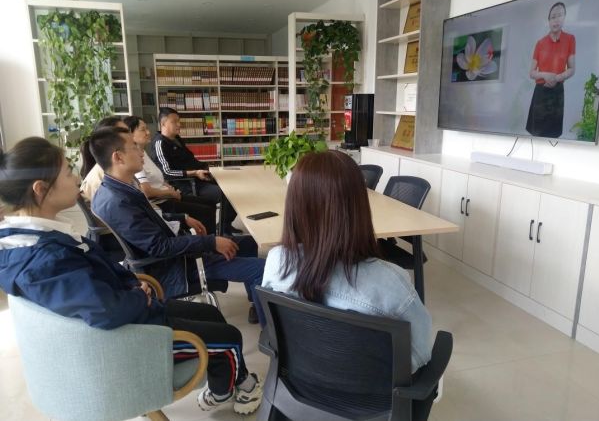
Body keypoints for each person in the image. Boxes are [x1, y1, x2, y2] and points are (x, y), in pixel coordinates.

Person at [0, 137, 263, 415]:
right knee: (230, 337)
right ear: (41, 189)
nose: (76, 177)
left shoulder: (32, 239)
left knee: (211, 314)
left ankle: (226, 385)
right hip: (132, 336)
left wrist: (131, 283)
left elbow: (95, 277)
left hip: (131, 310)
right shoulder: (45, 260)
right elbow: (106, 310)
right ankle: (236, 388)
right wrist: (138, 295)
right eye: (67, 172)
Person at [261, 150, 435, 420]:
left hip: (299, 393)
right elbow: (420, 354)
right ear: (358, 206)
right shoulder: (390, 282)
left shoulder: (277, 261)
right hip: (375, 408)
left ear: (294, 205)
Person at [91, 126, 264, 324]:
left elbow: (150, 219)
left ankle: (256, 303)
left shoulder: (116, 189)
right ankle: (270, 334)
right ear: (118, 157)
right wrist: (210, 242)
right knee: (263, 268)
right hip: (176, 266)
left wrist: (182, 218)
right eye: (134, 147)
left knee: (249, 243)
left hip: (177, 254)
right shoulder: (118, 202)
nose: (141, 152)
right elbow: (160, 247)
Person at [150, 107, 238, 234]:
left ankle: (225, 224)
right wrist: (195, 173)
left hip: (198, 177)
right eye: (174, 122)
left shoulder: (177, 138)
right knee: (227, 194)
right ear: (163, 124)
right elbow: (167, 172)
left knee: (232, 186)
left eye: (179, 121)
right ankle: (224, 228)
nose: (179, 124)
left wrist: (205, 168)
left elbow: (189, 160)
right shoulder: (160, 143)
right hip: (187, 184)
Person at [123, 115, 217, 234]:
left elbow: (158, 178)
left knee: (210, 203)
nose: (148, 132)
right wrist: (170, 193)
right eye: (143, 129)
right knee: (206, 211)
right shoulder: (136, 159)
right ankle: (209, 242)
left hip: (168, 195)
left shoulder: (144, 153)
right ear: (130, 134)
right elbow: (147, 191)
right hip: (162, 202)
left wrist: (170, 188)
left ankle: (211, 237)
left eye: (147, 128)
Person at [526, 2, 576, 138]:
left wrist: (556, 78)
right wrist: (545, 75)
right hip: (540, 92)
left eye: (560, 15)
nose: (556, 20)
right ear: (549, 20)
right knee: (537, 133)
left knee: (553, 134)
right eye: (553, 17)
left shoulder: (570, 39)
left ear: (564, 17)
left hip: (557, 92)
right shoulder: (540, 43)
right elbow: (532, 73)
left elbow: (572, 68)